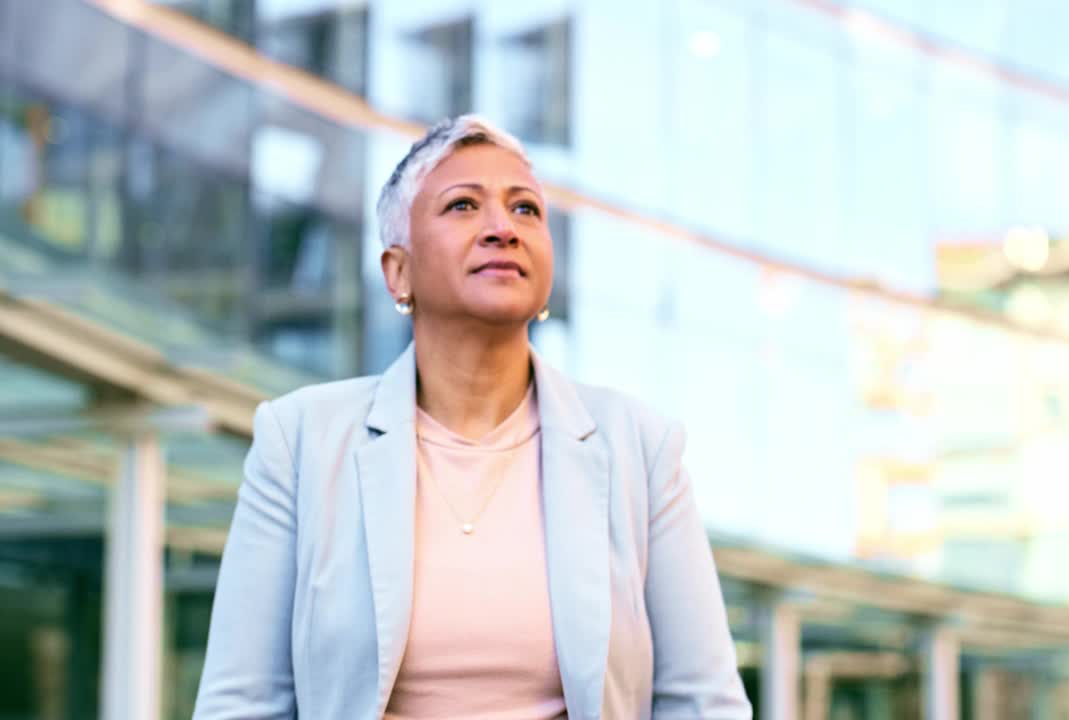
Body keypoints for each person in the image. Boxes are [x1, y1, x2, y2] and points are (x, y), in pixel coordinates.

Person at [193, 115, 750, 719]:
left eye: (526, 211)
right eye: (463, 205)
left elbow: (705, 704)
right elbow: (240, 706)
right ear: (397, 272)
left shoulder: (640, 448)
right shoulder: (299, 441)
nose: (502, 229)